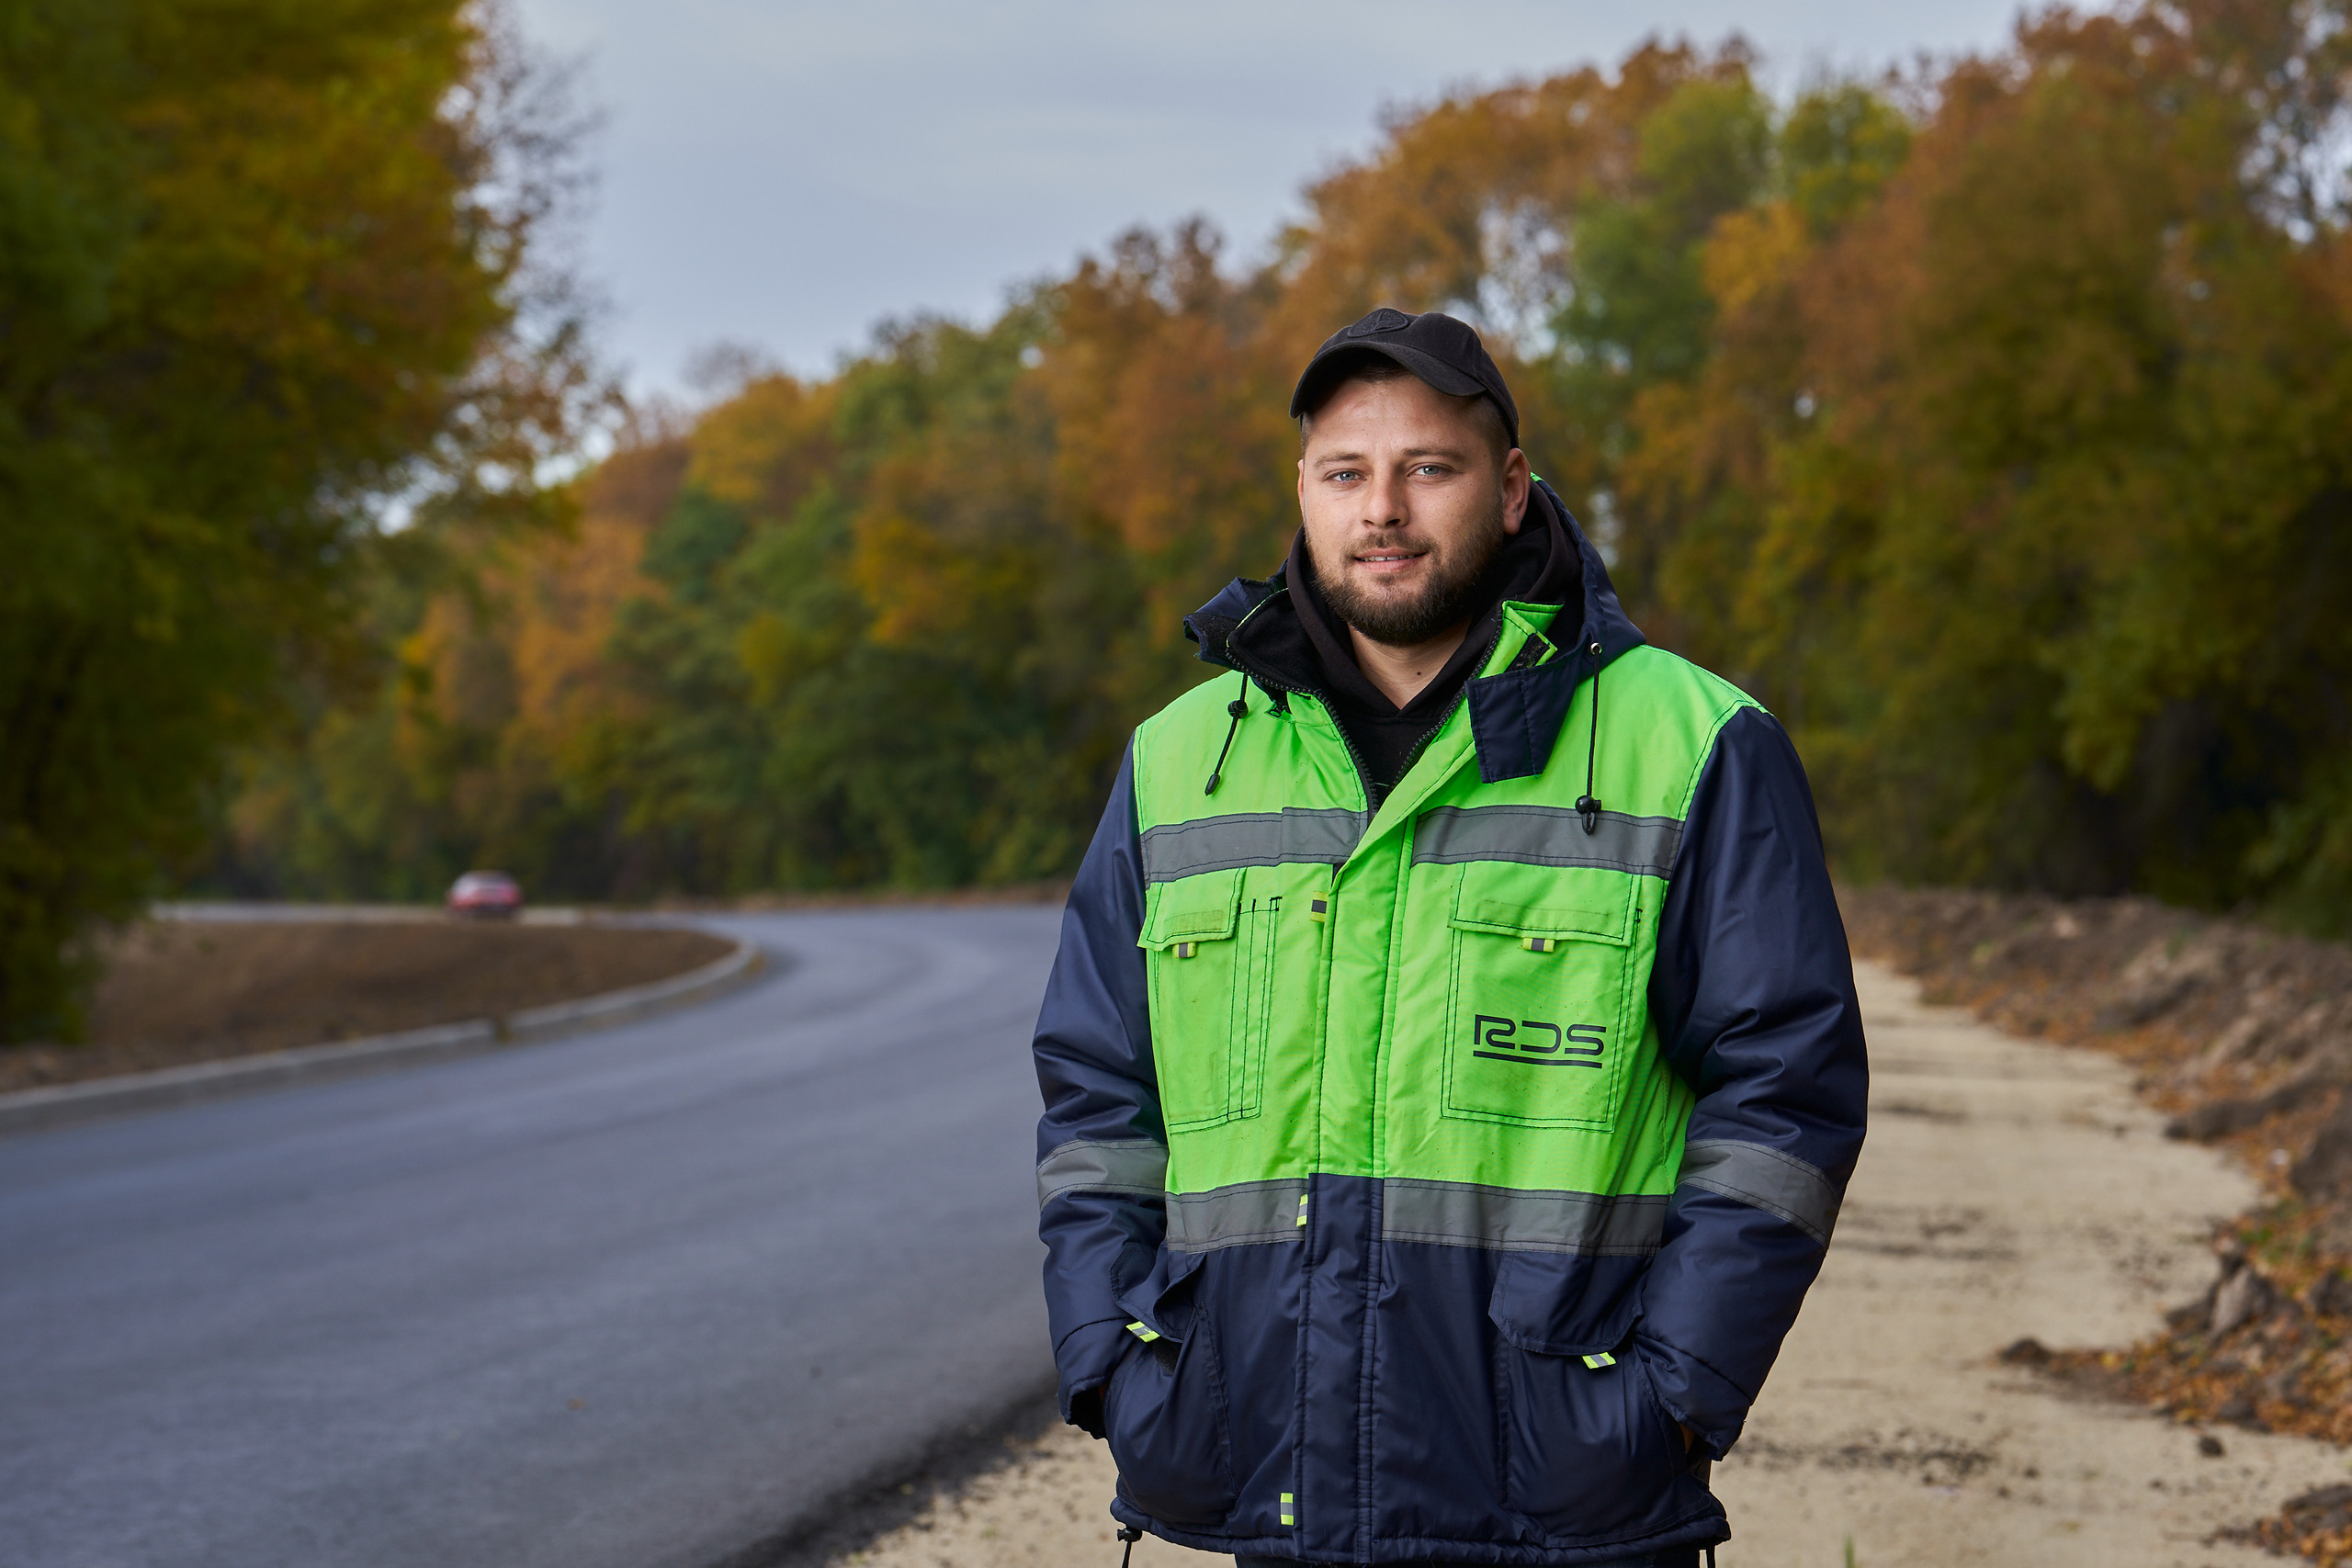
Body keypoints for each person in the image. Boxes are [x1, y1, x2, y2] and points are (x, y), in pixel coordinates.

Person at [1031, 306, 1868, 1567]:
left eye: (1429, 467)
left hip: (1567, 1496)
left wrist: (1674, 1393)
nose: (1384, 510)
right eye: (1346, 473)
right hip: (1268, 1480)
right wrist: (1111, 1364)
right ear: (1302, 494)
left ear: (1513, 488)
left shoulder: (1691, 743)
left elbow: (1786, 1098)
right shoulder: (1180, 761)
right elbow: (1096, 1093)